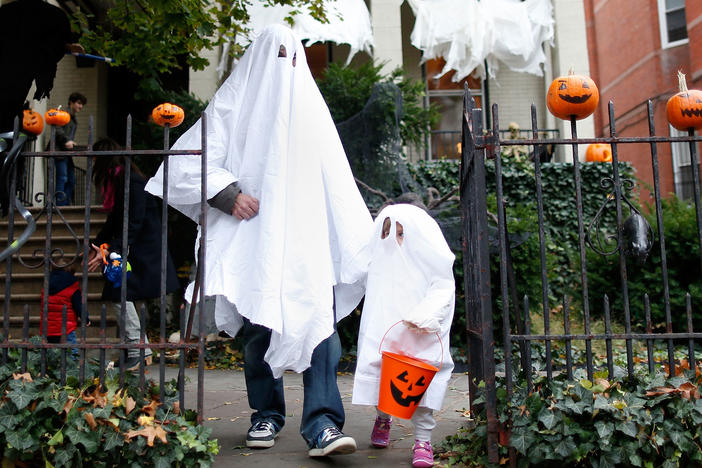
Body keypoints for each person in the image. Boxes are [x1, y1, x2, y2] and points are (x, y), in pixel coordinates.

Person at [145, 24, 373, 457]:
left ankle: (323, 425)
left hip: (306, 239)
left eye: (292, 58)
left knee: (319, 325)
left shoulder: (310, 112)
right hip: (256, 238)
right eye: (276, 57)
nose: (284, 67)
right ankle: (266, 414)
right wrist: (228, 194)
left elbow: (336, 183)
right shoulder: (235, 104)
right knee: (258, 327)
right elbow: (189, 160)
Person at [352, 203, 455, 468]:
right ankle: (383, 418)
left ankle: (423, 439)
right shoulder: (381, 265)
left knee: (421, 383)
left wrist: (426, 315)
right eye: (389, 234)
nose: (395, 242)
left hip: (420, 332)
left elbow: (443, 288)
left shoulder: (428, 261)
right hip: (387, 332)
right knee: (383, 380)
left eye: (401, 234)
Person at [87, 137, 180, 371]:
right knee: (118, 292)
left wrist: (111, 250)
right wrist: (96, 245)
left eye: (96, 157)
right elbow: (114, 220)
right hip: (129, 250)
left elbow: (133, 223)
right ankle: (139, 350)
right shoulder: (121, 182)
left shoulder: (133, 183)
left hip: (141, 252)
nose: (93, 163)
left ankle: (138, 349)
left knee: (118, 292)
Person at [0, 0, 84, 133]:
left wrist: (67, 46)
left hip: (19, 74)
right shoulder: (52, 15)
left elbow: (55, 44)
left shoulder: (50, 16)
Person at [40, 261, 88, 354]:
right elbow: (78, 305)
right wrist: (85, 318)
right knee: (71, 352)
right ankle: (72, 366)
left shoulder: (46, 285)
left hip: (48, 328)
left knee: (50, 354)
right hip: (66, 328)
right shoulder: (72, 287)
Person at [53, 92, 87, 206]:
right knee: (62, 178)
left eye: (82, 104)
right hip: (60, 151)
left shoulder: (72, 118)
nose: (81, 107)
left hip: (66, 153)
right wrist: (66, 140)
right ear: (71, 102)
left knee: (71, 180)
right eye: (78, 103)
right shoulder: (64, 114)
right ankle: (59, 205)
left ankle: (65, 204)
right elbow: (56, 128)